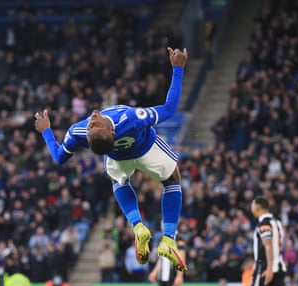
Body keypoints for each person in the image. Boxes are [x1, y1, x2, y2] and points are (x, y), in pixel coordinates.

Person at [35, 47, 189, 273]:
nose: (93, 119)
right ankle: (168, 239)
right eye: (94, 125)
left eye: (92, 124)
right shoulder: (130, 119)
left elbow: (59, 158)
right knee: (172, 179)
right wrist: (177, 68)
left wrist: (46, 132)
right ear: (111, 131)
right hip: (147, 147)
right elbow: (169, 109)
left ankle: (138, 227)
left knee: (118, 181)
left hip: (116, 159)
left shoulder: (78, 133)